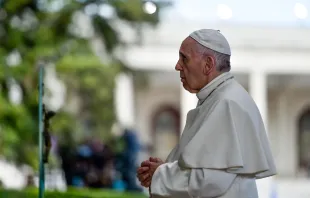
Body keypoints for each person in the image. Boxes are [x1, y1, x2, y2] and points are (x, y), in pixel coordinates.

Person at [137, 29, 277, 198]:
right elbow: (203, 166)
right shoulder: (217, 98)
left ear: (208, 64)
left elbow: (211, 180)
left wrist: (160, 174)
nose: (177, 66)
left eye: (184, 58)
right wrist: (162, 169)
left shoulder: (228, 103)